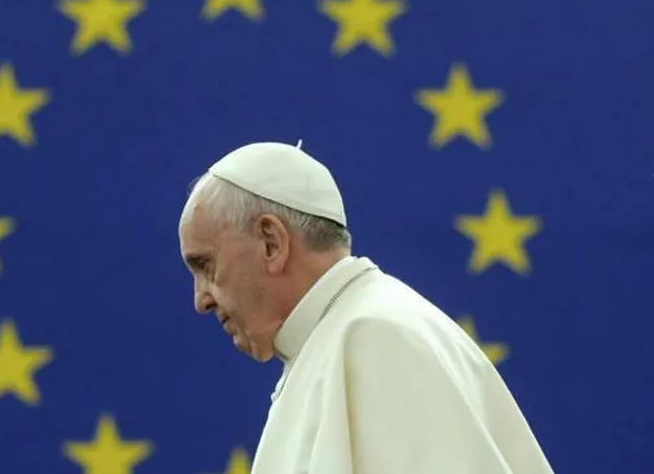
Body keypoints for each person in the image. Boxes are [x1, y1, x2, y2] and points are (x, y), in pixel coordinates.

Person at [177, 140, 556, 473]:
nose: (201, 300)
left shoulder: (377, 337)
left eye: (206, 265)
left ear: (271, 243)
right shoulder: (336, 338)